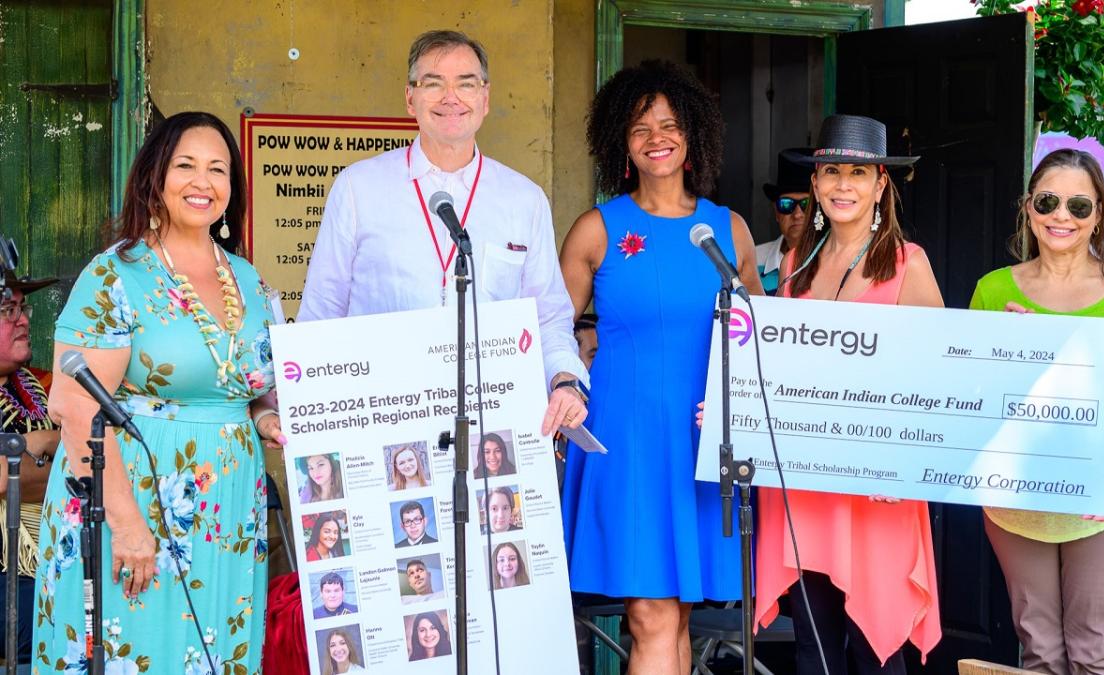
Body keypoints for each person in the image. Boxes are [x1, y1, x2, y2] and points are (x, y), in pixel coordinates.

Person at [34, 111, 284, 674]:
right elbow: (74, 404)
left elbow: (252, 388)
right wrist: (125, 523)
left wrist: (267, 420)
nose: (203, 182)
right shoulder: (117, 275)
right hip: (135, 500)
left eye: (218, 169)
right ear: (155, 176)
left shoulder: (250, 281)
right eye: (186, 166)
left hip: (228, 513)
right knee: (139, 652)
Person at [558, 59, 763, 674]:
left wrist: (736, 404)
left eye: (670, 124)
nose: (656, 138)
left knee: (678, 618)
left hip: (705, 442)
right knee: (650, 615)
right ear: (620, 141)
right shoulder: (597, 229)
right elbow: (548, 332)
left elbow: (758, 339)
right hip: (628, 442)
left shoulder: (729, 230)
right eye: (640, 127)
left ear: (692, 134)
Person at [298, 29, 588, 438]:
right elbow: (321, 315)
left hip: (492, 425)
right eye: (433, 83)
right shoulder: (358, 188)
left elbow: (549, 318)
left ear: (485, 99)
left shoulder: (524, 200)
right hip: (381, 420)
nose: (450, 97)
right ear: (409, 97)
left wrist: (564, 381)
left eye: (466, 84)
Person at [752, 115, 944, 675]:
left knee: (875, 649)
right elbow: (780, 367)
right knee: (813, 649)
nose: (842, 184)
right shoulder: (796, 264)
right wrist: (734, 410)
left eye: (857, 172)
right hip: (807, 480)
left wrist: (901, 460)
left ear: (881, 184)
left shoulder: (909, 263)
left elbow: (934, 374)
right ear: (814, 184)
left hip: (877, 483)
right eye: (830, 171)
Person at [971, 148, 1104, 674]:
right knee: (1039, 653)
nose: (1063, 215)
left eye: (1079, 206)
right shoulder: (993, 291)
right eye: (1049, 201)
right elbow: (973, 397)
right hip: (1016, 503)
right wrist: (1005, 357)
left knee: (1094, 653)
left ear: (1099, 214)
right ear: (1029, 208)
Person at [0, 271, 61, 667]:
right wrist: (46, 448)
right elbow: (7, 479)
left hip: (49, 551)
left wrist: (44, 445)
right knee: (33, 622)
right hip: (8, 569)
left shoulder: (35, 386)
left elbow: (84, 461)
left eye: (23, 308)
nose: (23, 320)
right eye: (8, 310)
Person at [756, 149, 812, 295]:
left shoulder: (837, 265)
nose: (797, 214)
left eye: (806, 204)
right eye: (786, 204)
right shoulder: (753, 260)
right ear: (776, 212)